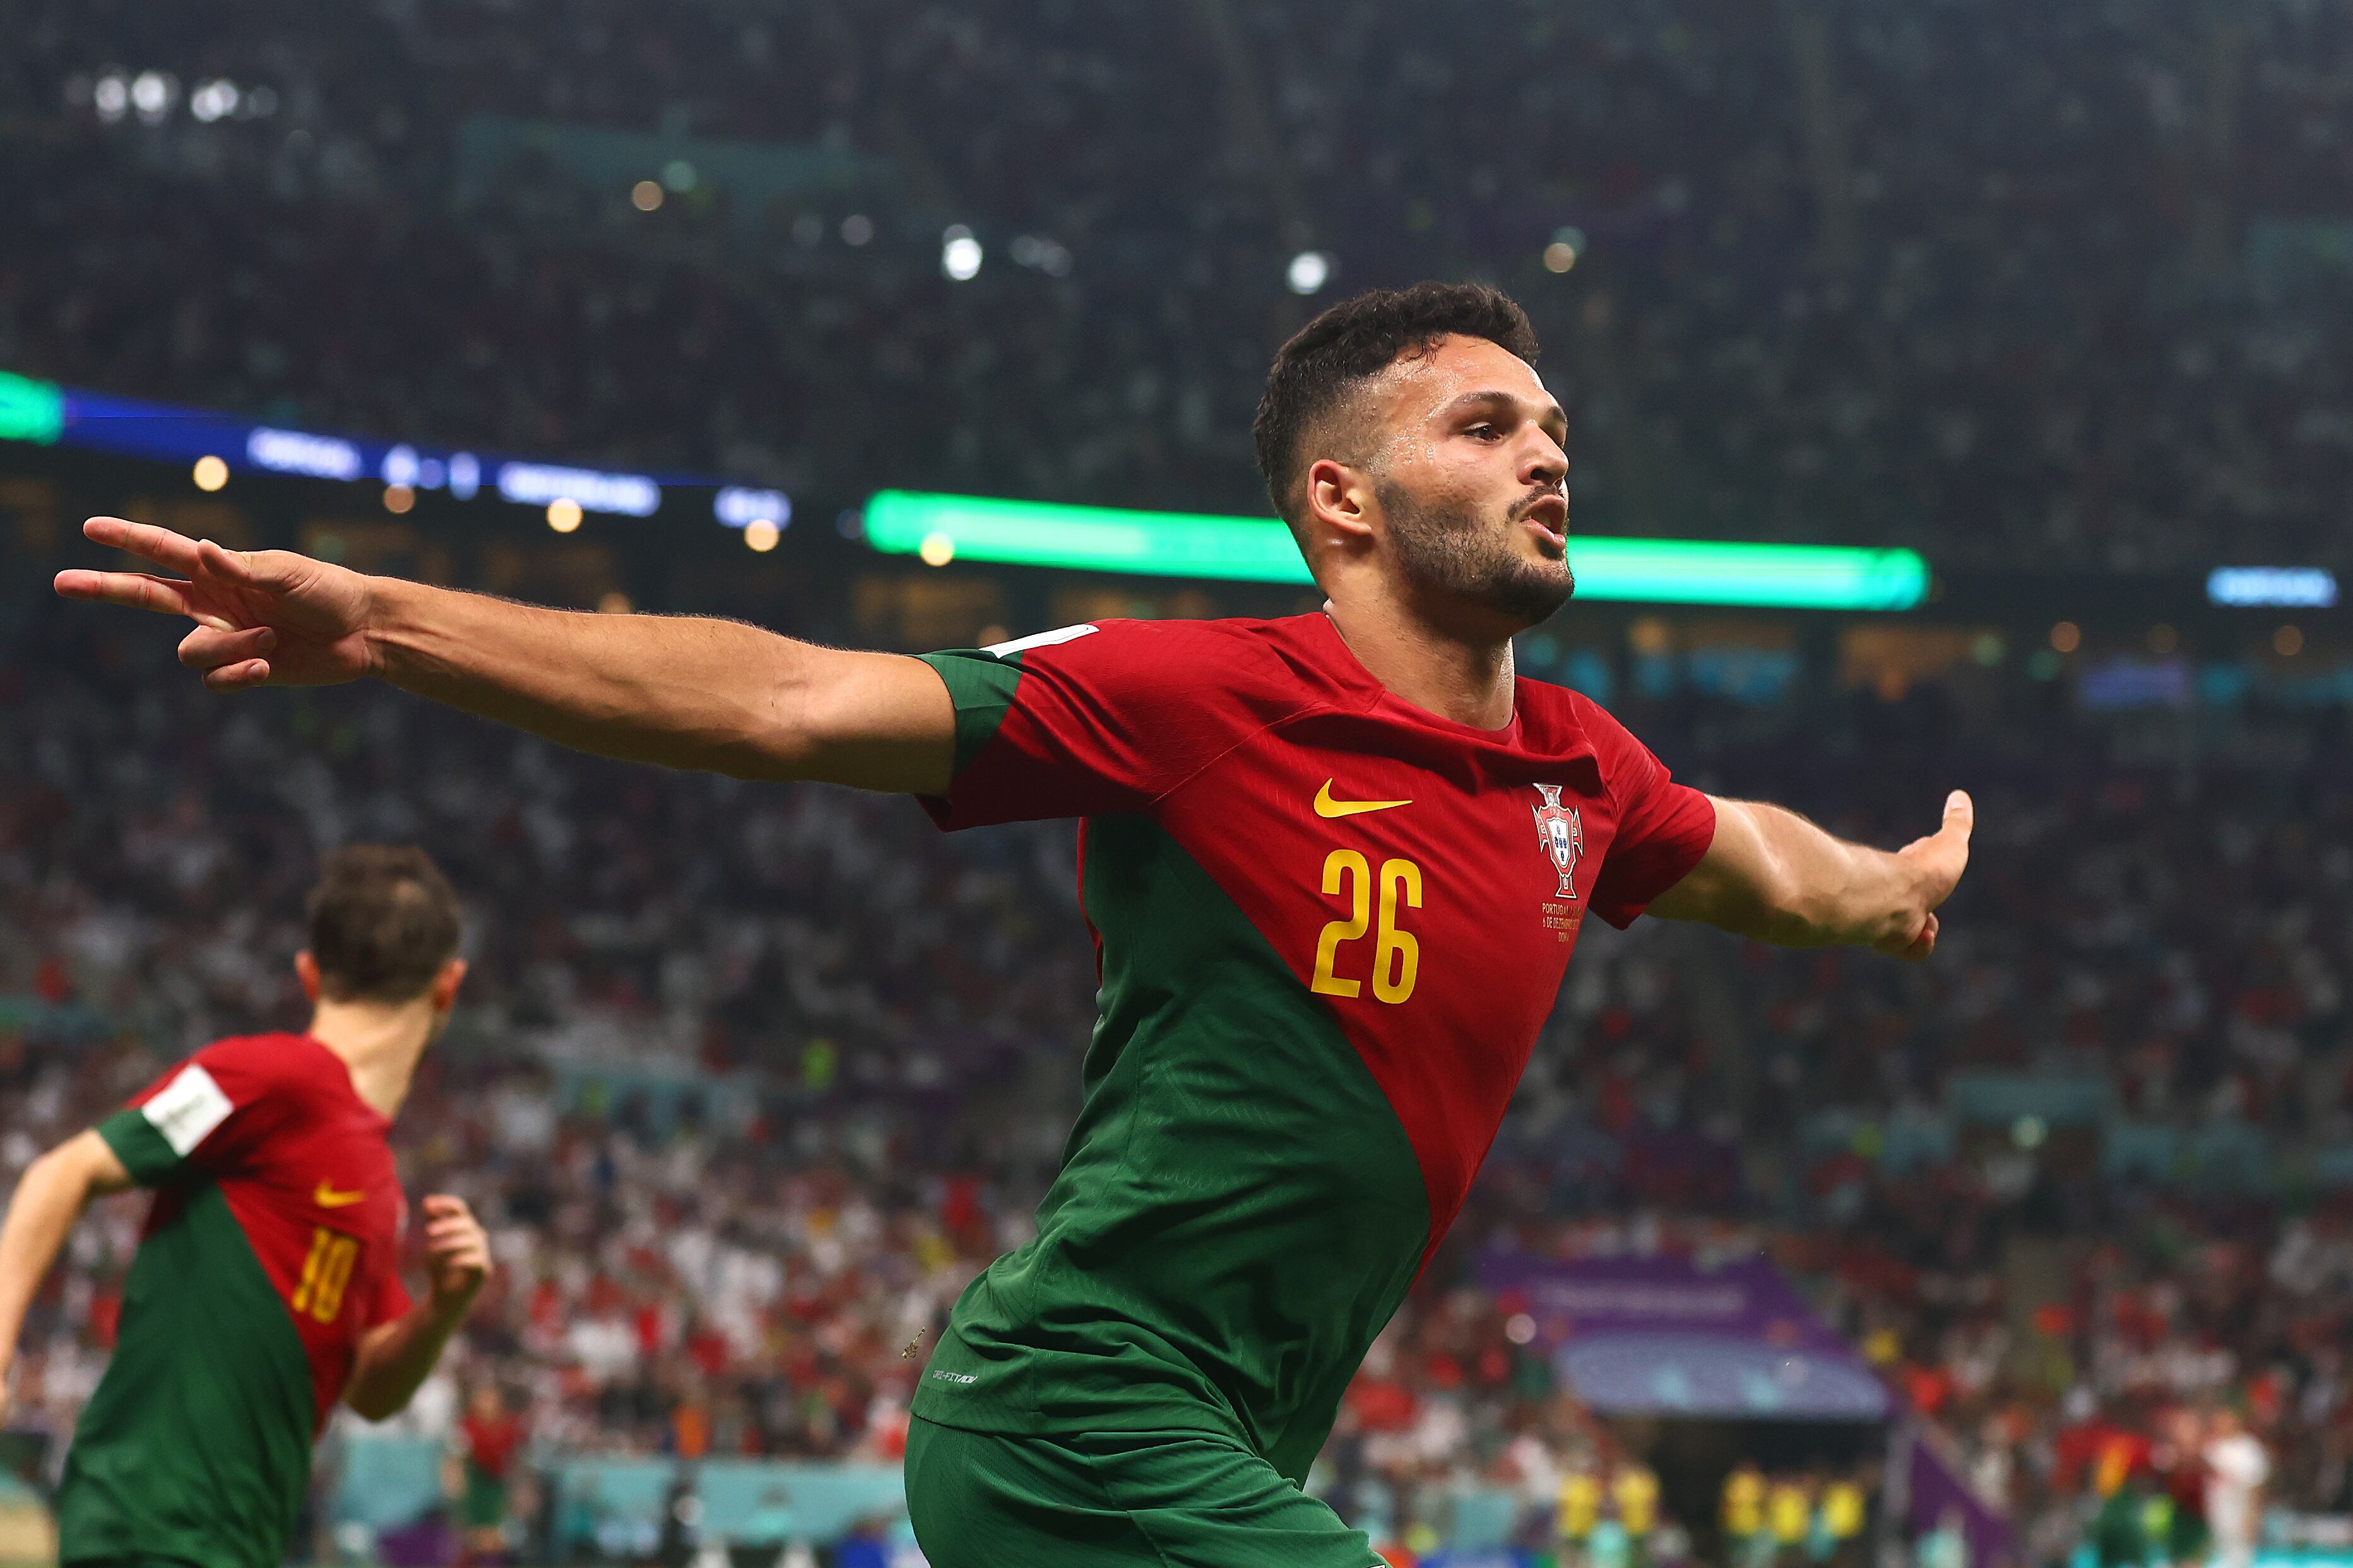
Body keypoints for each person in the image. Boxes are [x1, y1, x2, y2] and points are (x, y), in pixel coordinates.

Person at [53, 282, 1974, 1566]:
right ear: (1343, 498)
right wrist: (387, 620)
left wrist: (1889, 889)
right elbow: (788, 700)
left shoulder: (1581, 771)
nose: (1549, 453)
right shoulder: (1194, 696)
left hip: (1231, 1431)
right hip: (1074, 1408)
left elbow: (1766, 863)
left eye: (1552, 422)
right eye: (1483, 426)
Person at [0, 846, 494, 1568]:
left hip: (240, 1544)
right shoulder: (268, 1078)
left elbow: (371, 1389)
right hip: (151, 1524)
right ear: (449, 987)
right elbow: (61, 1172)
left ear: (309, 973)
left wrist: (441, 1309)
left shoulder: (379, 1181)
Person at [2203, 1408, 2270, 1568]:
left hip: (2238, 1516)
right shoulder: (2210, 1448)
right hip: (2212, 1517)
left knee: (2238, 1561)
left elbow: (2257, 1485)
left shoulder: (2248, 1449)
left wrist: (2252, 1515)